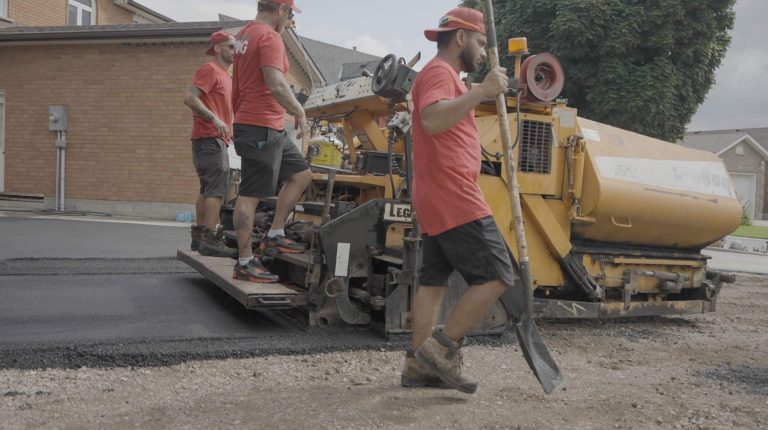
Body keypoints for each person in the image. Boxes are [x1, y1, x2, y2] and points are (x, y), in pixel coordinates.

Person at [404, 7, 515, 394]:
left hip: (436, 192)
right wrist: (482, 91)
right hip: (453, 194)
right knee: (499, 274)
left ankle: (418, 365)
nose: (484, 53)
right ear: (462, 38)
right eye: (481, 43)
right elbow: (432, 120)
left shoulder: (447, 76)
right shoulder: (439, 73)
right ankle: (441, 350)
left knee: (433, 282)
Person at [231, 0, 311, 283]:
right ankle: (245, 261)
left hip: (266, 125)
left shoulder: (244, 35)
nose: (291, 20)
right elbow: (275, 82)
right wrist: (299, 111)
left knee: (301, 174)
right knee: (250, 195)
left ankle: (275, 234)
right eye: (290, 14)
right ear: (279, 10)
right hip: (259, 125)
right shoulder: (269, 37)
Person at [183, 30, 238, 258]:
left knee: (207, 189)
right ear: (218, 48)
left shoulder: (227, 75)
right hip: (209, 138)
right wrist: (215, 119)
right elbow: (189, 97)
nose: (236, 51)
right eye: (232, 46)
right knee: (216, 191)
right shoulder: (210, 69)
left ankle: (199, 238)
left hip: (214, 139)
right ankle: (211, 240)